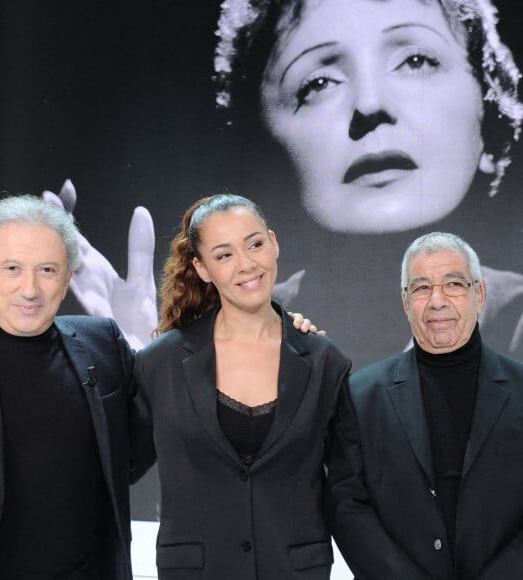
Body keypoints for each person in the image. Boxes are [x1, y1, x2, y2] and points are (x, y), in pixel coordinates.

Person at [43, 0, 523, 368]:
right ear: (262, 141)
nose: (371, 105)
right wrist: (149, 372)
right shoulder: (214, 339)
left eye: (415, 60)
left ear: (492, 108)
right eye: (317, 83)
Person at [129, 193, 351, 579]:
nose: (247, 264)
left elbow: (353, 490)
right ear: (201, 268)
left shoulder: (323, 361)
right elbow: (116, 467)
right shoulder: (160, 363)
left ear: (274, 242)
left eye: (254, 244)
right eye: (224, 254)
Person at [0, 194, 140, 579]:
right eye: (12, 268)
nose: (30, 289)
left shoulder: (105, 344)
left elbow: (141, 447)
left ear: (68, 278)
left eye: (47, 270)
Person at [328, 231, 523, 579]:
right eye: (420, 288)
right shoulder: (361, 395)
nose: (437, 301)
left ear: (478, 294)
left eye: (453, 284)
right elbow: (348, 505)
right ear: (405, 303)